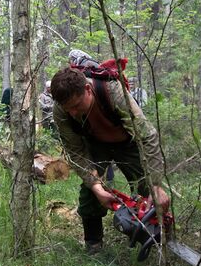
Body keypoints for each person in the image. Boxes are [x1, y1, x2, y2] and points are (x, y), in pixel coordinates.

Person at [50, 67, 170, 253]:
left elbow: (147, 136)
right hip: (95, 144)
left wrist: (155, 184)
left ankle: (157, 236)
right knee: (90, 193)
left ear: (88, 90)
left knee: (147, 188)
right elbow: (76, 152)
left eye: (77, 105)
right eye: (69, 109)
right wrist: (97, 187)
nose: (73, 113)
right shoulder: (60, 110)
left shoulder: (113, 92)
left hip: (127, 142)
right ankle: (93, 244)